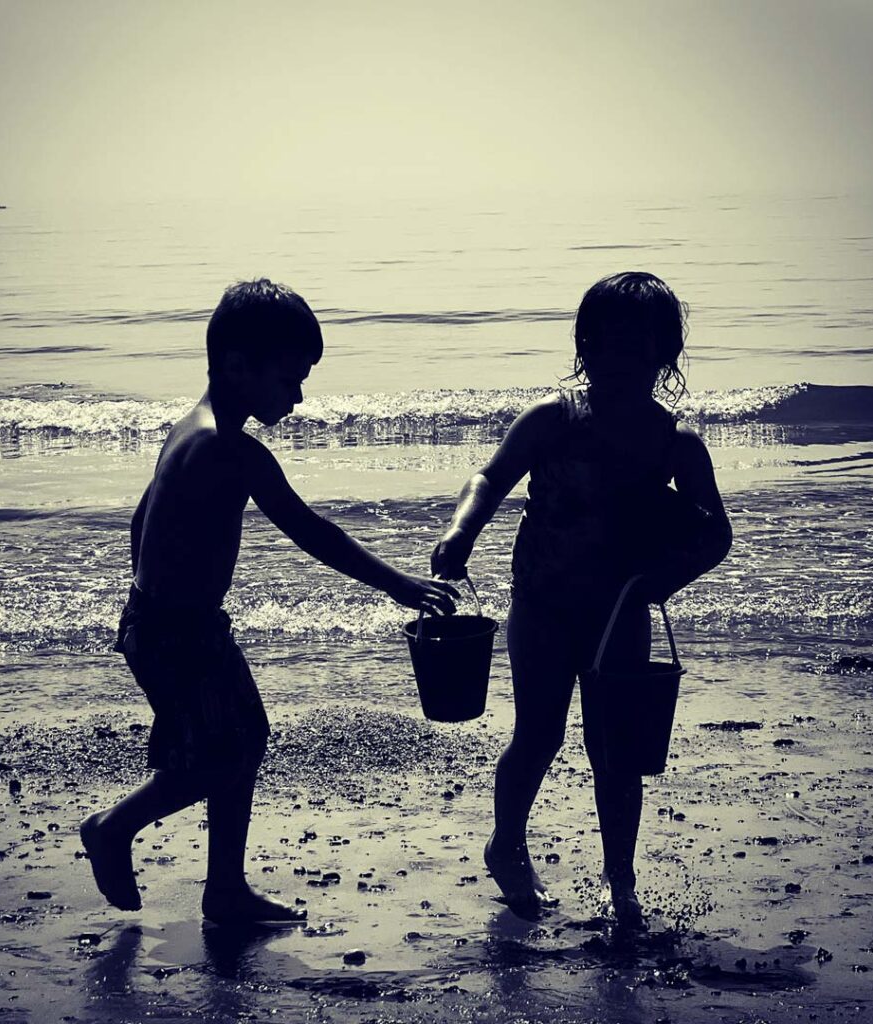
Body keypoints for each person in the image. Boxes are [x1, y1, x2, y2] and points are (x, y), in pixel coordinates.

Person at [80, 279, 457, 927]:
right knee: (220, 756)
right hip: (177, 632)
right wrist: (398, 585)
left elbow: (142, 520)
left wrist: (144, 602)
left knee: (243, 741)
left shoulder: (188, 430)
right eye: (290, 377)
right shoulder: (231, 450)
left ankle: (225, 889)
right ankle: (115, 828)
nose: (299, 394)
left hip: (172, 623)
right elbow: (313, 531)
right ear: (237, 365)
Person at [431, 271, 732, 928]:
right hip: (542, 604)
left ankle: (619, 880)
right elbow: (489, 476)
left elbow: (716, 532)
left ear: (664, 355)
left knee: (616, 751)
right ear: (584, 345)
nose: (620, 359)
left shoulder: (673, 443)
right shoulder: (552, 420)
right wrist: (461, 530)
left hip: (620, 615)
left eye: (639, 346)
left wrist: (665, 580)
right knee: (537, 735)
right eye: (606, 343)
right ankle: (506, 845)